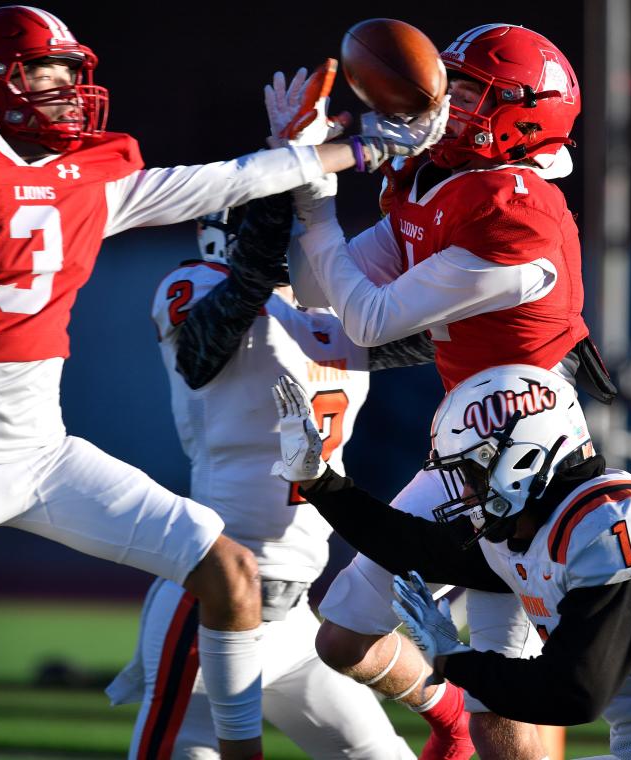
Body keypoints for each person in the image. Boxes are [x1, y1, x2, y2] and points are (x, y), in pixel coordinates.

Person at [0, 7, 448, 758]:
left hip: (44, 453)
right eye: (45, 76)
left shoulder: (93, 182)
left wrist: (365, 145)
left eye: (71, 76)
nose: (69, 93)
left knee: (226, 567)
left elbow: (237, 177)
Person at [268, 23, 615, 760]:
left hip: (525, 463)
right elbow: (317, 286)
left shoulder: (517, 209)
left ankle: (472, 714)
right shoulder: (441, 182)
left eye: (469, 93)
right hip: (464, 446)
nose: (448, 104)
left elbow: (366, 317)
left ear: (524, 114)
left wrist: (320, 201)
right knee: (343, 636)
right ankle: (449, 713)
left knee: (505, 689)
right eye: (449, 84)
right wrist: (296, 164)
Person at [272, 366, 631, 760]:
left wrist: (451, 657)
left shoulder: (618, 521)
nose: (464, 490)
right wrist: (320, 482)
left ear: (520, 458)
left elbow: (575, 692)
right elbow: (417, 548)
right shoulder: (535, 523)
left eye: (470, 471)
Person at [107, 192, 433, 758]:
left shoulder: (334, 320)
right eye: (299, 228)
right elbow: (210, 342)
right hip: (214, 602)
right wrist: (289, 183)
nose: (318, 247)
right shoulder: (198, 289)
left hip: (298, 617)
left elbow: (449, 333)